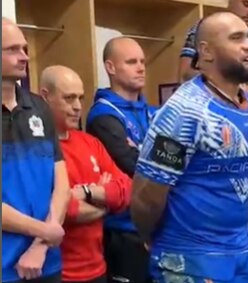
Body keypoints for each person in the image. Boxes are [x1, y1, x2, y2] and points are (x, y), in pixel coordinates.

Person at [131, 12, 248, 282]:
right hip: (190, 257)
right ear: (206, 52)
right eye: (236, 38)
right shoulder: (184, 111)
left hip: (241, 253)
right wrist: (151, 237)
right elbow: (147, 195)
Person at [40, 65, 133, 283]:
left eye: (80, 98)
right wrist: (105, 201)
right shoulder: (39, 150)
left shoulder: (90, 143)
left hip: (99, 268)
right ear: (45, 97)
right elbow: (63, 211)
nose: (77, 107)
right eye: (69, 98)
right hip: (59, 273)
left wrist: (84, 192)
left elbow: (126, 190)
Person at [2, 18, 71, 283]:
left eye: (24, 49)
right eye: (12, 49)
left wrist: (40, 245)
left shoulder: (40, 108)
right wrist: (46, 231)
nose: (24, 57)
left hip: (46, 263)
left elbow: (61, 184)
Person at [86, 37, 156, 283]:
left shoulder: (153, 112)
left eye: (142, 62)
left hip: (158, 227)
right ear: (110, 67)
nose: (140, 67)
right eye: (131, 62)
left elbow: (180, 157)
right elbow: (131, 165)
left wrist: (144, 153)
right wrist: (157, 156)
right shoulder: (103, 116)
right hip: (123, 231)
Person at [179, 0, 248, 90]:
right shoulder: (205, 28)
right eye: (246, 4)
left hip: (240, 101)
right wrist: (234, 85)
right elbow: (185, 75)